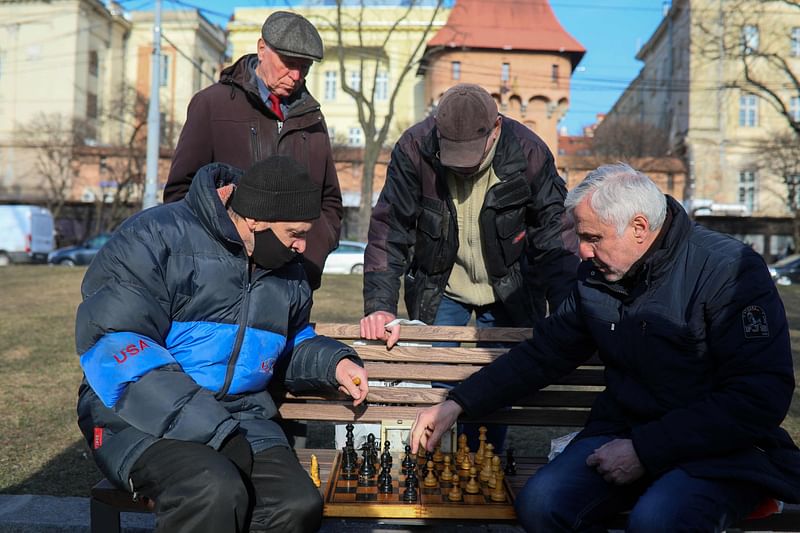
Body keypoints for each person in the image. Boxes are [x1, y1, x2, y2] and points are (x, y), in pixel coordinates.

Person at [409, 163, 800, 532]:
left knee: (656, 521)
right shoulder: (595, 277)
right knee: (542, 504)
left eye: (592, 237)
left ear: (640, 228)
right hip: (623, 434)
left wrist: (646, 450)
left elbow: (759, 395)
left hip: (718, 449)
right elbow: (543, 354)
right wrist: (458, 402)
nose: (582, 251)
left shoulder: (729, 270)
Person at [76, 156, 369, 533]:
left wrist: (332, 364)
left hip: (242, 418)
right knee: (212, 489)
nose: (302, 246)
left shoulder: (287, 270)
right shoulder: (152, 237)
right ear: (255, 220)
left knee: (296, 505)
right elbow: (117, 347)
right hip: (135, 416)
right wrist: (214, 431)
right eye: (294, 233)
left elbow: (286, 341)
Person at [360, 83, 578, 449]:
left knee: (496, 382)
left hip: (511, 287)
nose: (461, 165)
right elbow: (389, 228)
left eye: (472, 154)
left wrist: (567, 312)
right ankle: (436, 463)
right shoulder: (415, 148)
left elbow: (555, 240)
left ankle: (480, 460)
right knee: (437, 381)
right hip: (440, 284)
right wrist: (380, 306)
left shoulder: (530, 152)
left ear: (496, 130)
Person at [163, 10, 342, 291]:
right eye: (289, 63)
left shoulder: (313, 119)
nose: (296, 76)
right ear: (262, 49)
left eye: (304, 67)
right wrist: (221, 251)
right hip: (220, 281)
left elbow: (329, 201)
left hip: (292, 280)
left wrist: (310, 258)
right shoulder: (211, 105)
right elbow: (180, 195)